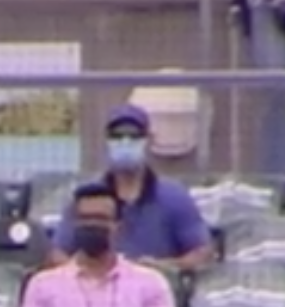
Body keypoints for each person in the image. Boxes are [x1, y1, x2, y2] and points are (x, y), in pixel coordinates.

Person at [21, 184, 181, 307]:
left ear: (118, 226)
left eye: (101, 218)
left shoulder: (150, 282)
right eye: (85, 218)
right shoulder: (42, 284)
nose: (92, 225)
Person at [47, 105, 213, 271]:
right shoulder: (89, 197)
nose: (125, 142)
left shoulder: (174, 198)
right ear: (106, 142)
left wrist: (164, 267)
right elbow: (58, 253)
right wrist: (90, 272)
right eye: (116, 136)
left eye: (134, 136)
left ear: (149, 140)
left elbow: (203, 252)